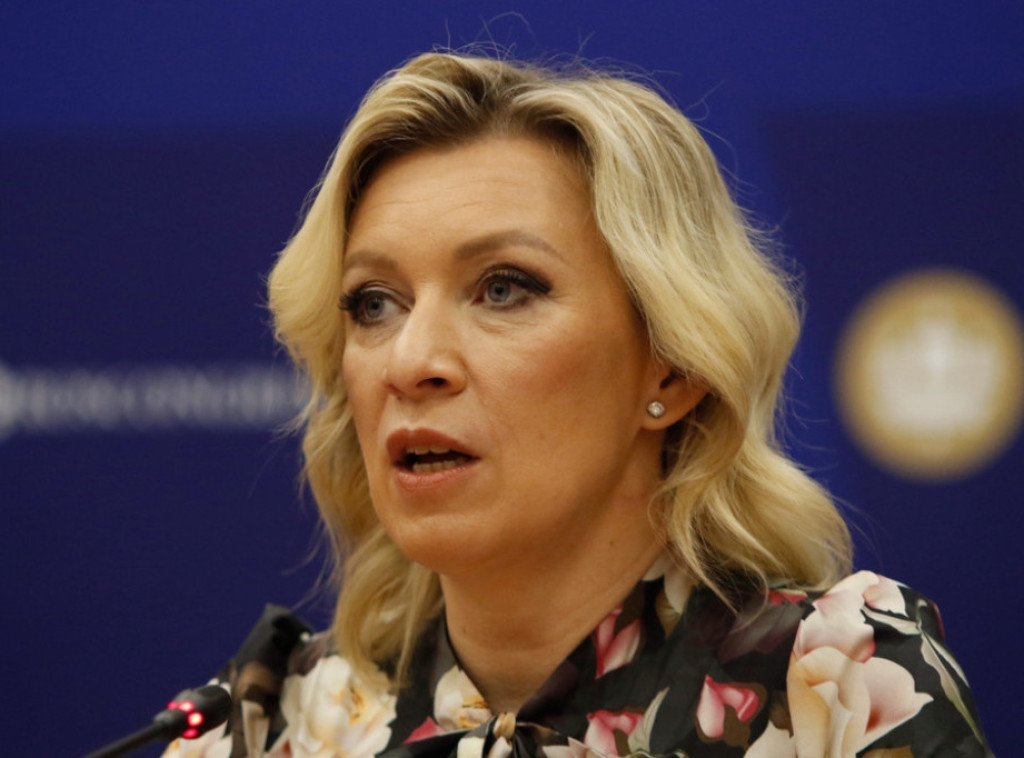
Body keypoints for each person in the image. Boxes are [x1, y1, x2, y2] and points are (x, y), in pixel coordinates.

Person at [165, 52, 991, 758]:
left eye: (503, 289)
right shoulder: (262, 730)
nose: (411, 362)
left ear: (671, 370)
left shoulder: (838, 687)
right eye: (374, 303)